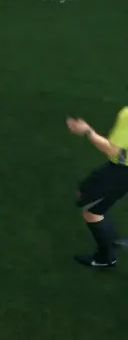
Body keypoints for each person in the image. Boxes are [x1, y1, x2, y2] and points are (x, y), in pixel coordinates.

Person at [66, 110, 128, 268]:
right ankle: (111, 238)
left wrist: (88, 131)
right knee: (85, 191)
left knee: (91, 212)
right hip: (117, 167)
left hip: (122, 171)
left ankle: (105, 258)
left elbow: (112, 150)